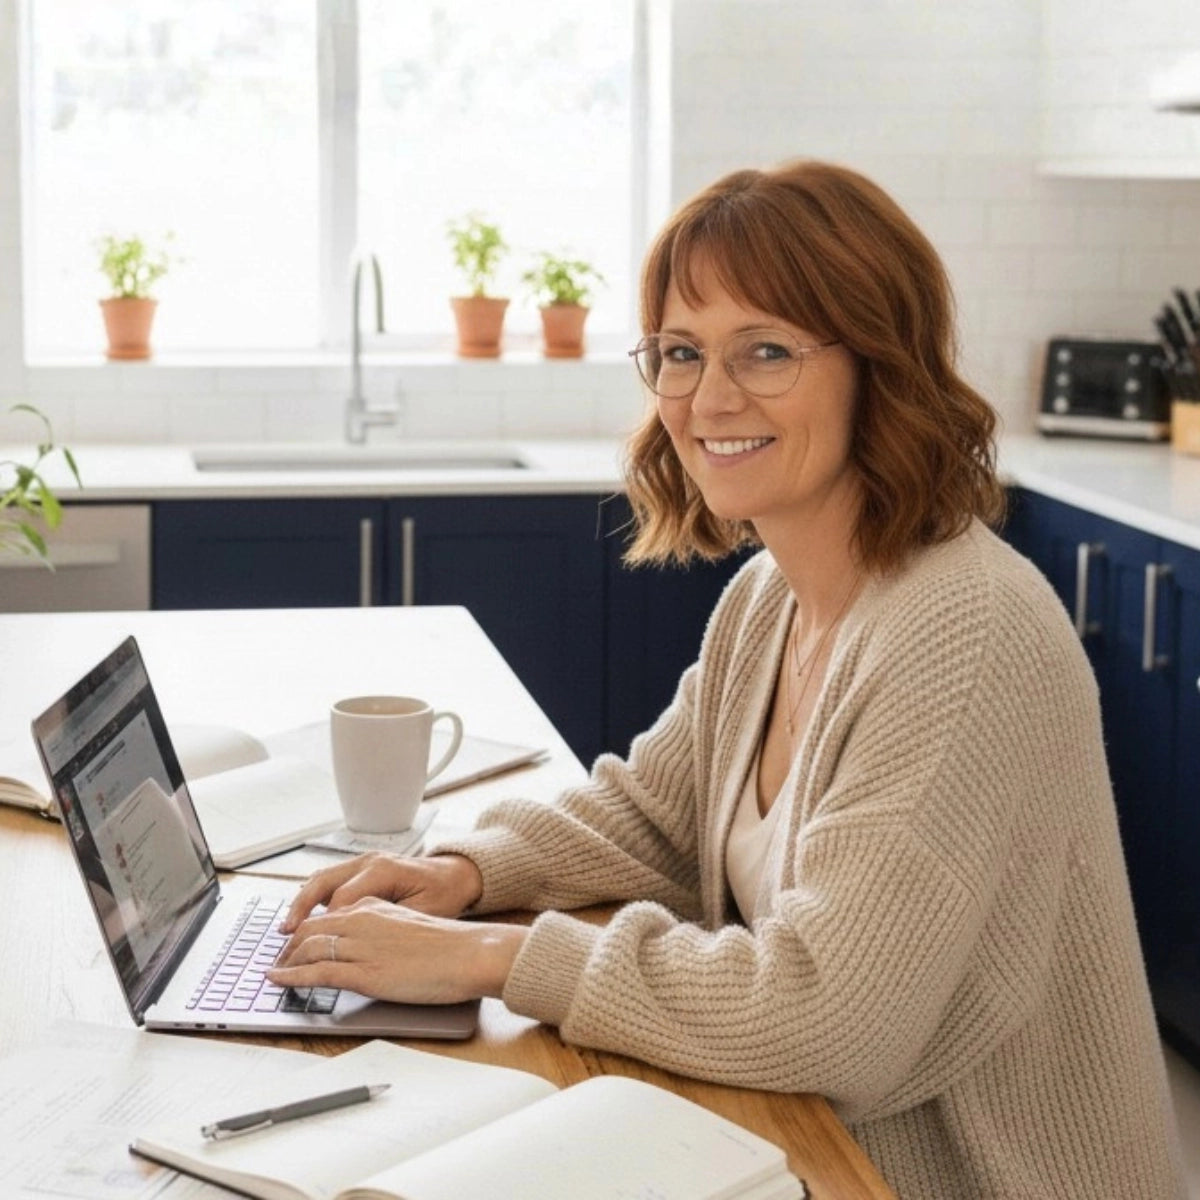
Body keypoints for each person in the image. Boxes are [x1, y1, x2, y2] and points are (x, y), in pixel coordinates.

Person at [268, 160, 1185, 1197]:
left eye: (766, 351)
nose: (710, 398)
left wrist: (493, 960)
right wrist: (466, 876)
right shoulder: (771, 597)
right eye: (679, 352)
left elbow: (832, 1016)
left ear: (879, 368)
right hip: (811, 1145)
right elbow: (657, 815)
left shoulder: (963, 635)